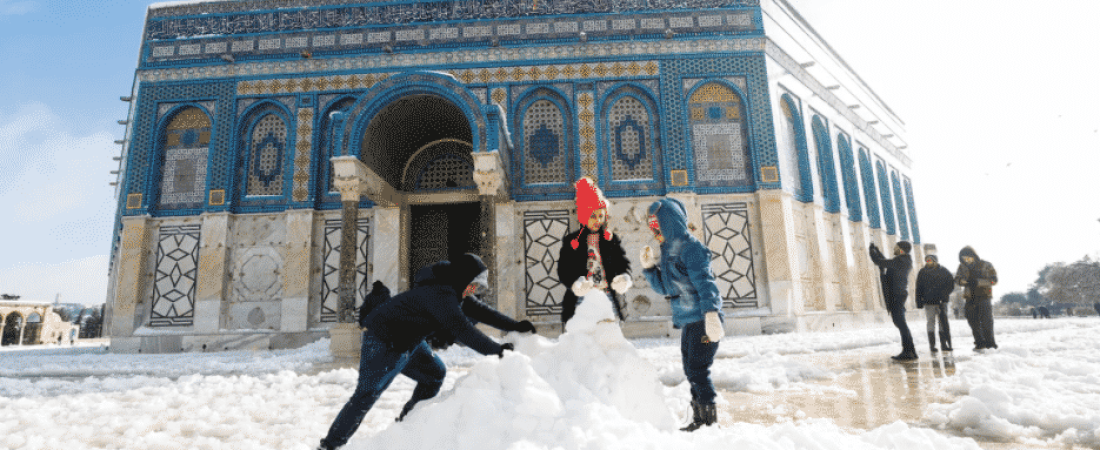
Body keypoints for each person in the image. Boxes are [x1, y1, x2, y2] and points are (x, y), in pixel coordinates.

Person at [317, 254, 536, 450]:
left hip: (409, 341)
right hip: (384, 341)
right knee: (366, 395)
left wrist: (515, 326)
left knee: (434, 374)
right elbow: (462, 329)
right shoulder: (440, 294)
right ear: (463, 277)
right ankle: (331, 445)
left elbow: (481, 310)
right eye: (473, 284)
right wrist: (498, 351)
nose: (474, 290)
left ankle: (407, 425)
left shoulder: (453, 290)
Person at [640, 198, 724, 432]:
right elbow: (666, 288)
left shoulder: (692, 248)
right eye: (651, 226)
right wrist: (649, 269)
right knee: (691, 369)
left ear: (670, 222)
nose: (654, 230)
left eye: (657, 225)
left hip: (703, 319)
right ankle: (700, 419)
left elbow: (706, 284)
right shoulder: (667, 251)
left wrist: (711, 313)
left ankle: (708, 422)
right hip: (689, 321)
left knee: (698, 370)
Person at [557, 177, 632, 324]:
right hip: (582, 298)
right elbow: (563, 269)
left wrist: (624, 277)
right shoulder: (572, 241)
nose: (598, 220)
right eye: (593, 216)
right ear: (584, 216)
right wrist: (574, 284)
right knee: (583, 337)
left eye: (600, 216)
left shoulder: (611, 239)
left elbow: (622, 262)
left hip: (608, 294)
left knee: (609, 338)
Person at [870, 241, 916, 361]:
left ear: (901, 249)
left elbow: (880, 262)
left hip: (897, 295)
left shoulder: (900, 261)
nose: (894, 248)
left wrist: (871, 252)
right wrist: (878, 251)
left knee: (900, 323)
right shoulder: (903, 260)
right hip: (899, 294)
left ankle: (908, 351)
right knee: (901, 323)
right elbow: (887, 262)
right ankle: (910, 351)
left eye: (896, 247)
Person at [955, 246, 998, 351]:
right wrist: (963, 282)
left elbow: (994, 280)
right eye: (964, 258)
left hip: (984, 297)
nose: (966, 260)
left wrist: (978, 282)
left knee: (986, 321)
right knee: (972, 320)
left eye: (968, 257)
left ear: (974, 256)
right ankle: (979, 343)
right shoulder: (962, 267)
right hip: (970, 297)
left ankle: (990, 344)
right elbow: (957, 279)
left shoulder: (986, 265)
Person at [915, 254, 954, 353]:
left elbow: (951, 284)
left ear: (935, 261)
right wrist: (919, 301)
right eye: (927, 260)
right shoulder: (922, 272)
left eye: (930, 260)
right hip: (929, 303)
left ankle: (944, 344)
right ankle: (932, 346)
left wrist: (945, 294)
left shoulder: (943, 271)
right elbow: (918, 287)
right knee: (930, 322)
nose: (928, 262)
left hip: (941, 302)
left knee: (942, 323)